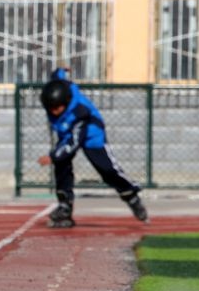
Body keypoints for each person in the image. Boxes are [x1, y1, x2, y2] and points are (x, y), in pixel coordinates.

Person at [37, 67, 148, 228]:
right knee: (62, 167)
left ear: (66, 102)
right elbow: (58, 77)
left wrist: (53, 157)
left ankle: (130, 194)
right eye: (50, 108)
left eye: (57, 108)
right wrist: (61, 70)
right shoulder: (59, 91)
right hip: (67, 134)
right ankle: (65, 207)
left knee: (107, 170)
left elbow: (73, 143)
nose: (53, 112)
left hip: (91, 134)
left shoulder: (79, 113)